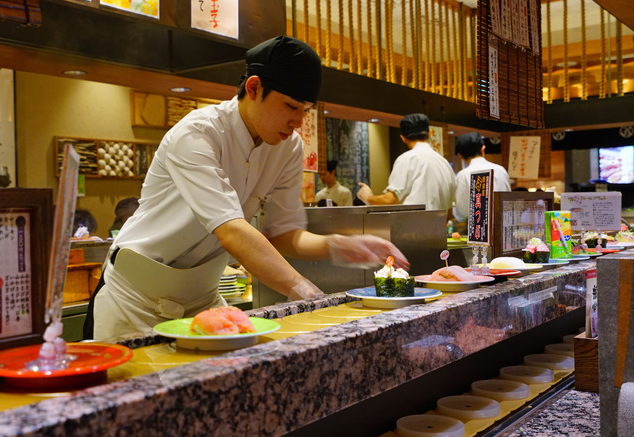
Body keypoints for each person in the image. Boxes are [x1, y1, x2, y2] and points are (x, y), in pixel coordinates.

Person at [83, 36, 409, 340]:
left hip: (201, 300)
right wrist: (306, 292)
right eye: (291, 107)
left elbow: (284, 234)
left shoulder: (288, 148)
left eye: (306, 111)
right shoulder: (198, 134)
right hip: (134, 297)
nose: (299, 122)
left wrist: (341, 245)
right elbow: (232, 231)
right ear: (254, 88)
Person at [356, 113, 456, 212]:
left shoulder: (406, 159)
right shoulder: (444, 163)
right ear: (429, 134)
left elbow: (390, 200)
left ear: (403, 138)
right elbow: (451, 202)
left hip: (413, 226)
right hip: (440, 226)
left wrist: (368, 197)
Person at [452, 132, 512, 224]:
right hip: (503, 228)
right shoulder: (501, 170)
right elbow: (509, 204)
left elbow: (462, 214)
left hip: (477, 232)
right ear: (483, 149)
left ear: (460, 155)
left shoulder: (463, 175)